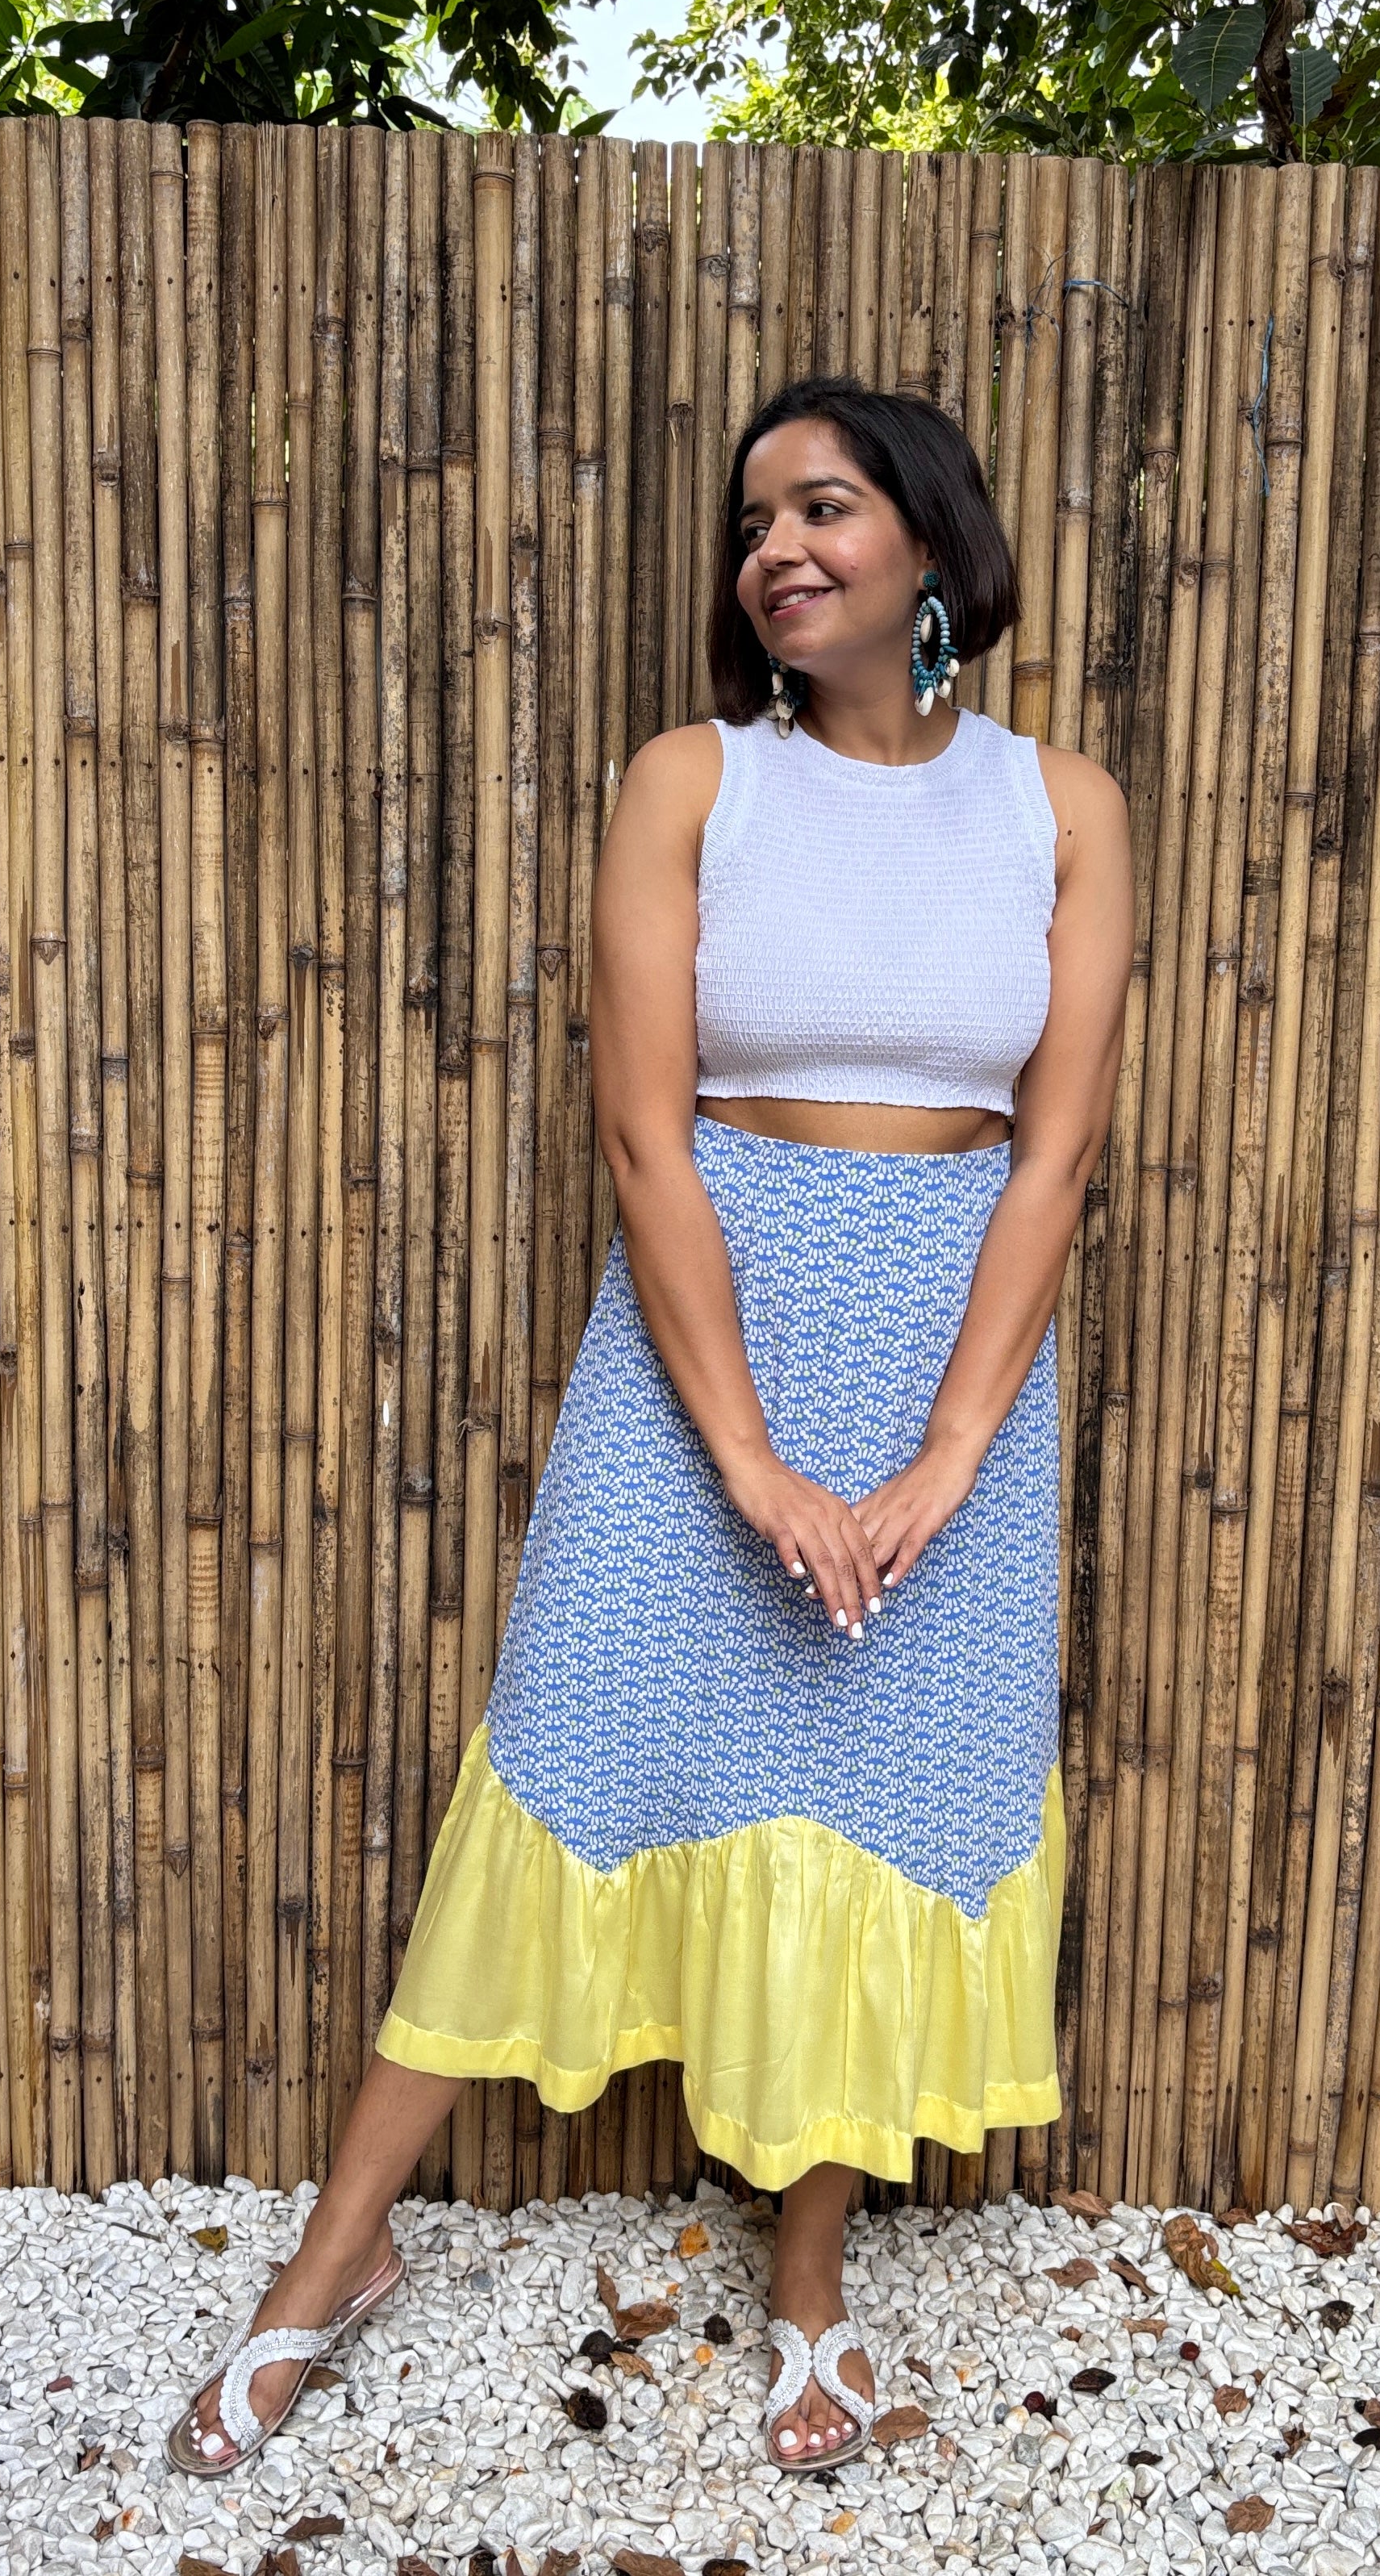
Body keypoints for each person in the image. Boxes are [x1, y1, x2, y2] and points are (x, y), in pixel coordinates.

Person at [166, 370, 1133, 2482]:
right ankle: (339, 2253)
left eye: (823, 507)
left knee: (874, 1793)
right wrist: (755, 1460)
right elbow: (638, 1130)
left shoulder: (1062, 809)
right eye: (752, 522)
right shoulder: (692, 782)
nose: (775, 548)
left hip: (951, 1354)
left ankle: (807, 2288)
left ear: (930, 544)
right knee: (567, 1747)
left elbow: (1050, 1163)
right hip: (703, 1338)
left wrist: (945, 1465)